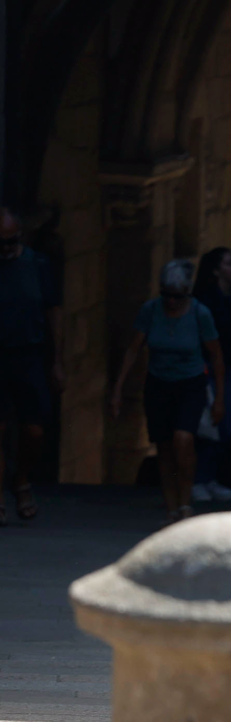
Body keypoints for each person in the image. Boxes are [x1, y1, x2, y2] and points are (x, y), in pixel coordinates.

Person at [110, 259, 224, 524]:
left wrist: (219, 398)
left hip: (190, 383)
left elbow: (216, 355)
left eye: (177, 296)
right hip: (158, 383)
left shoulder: (199, 314)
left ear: (187, 292)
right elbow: (133, 349)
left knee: (183, 439)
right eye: (166, 295)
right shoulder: (151, 311)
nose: (171, 301)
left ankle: (186, 501)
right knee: (163, 445)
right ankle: (172, 506)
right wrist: (117, 389)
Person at [0, 207, 64, 524]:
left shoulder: (37, 265)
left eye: (10, 241)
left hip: (29, 354)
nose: (5, 249)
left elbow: (53, 311)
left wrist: (57, 361)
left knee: (34, 429)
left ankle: (21, 477)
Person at [192, 246, 231, 502]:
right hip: (210, 366)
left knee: (225, 424)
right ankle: (198, 479)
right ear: (216, 270)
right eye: (228, 263)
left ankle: (211, 477)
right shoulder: (206, 299)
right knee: (208, 422)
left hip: (230, 364)